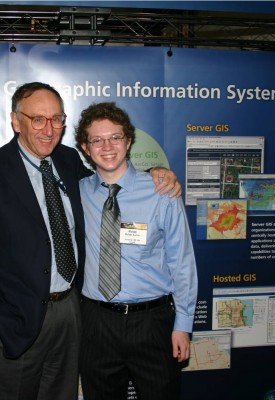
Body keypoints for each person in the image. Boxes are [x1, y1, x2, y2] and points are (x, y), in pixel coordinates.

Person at [0, 82, 181, 400]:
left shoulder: (67, 159)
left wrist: (155, 173)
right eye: (38, 119)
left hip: (72, 313)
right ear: (15, 120)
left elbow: (111, 173)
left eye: (57, 119)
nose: (49, 129)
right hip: (16, 316)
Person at [74, 102, 198, 400]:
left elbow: (182, 262)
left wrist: (183, 325)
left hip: (152, 323)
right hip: (96, 323)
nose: (107, 146)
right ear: (85, 147)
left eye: (115, 137)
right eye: (97, 140)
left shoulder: (161, 191)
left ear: (128, 141)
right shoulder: (76, 192)